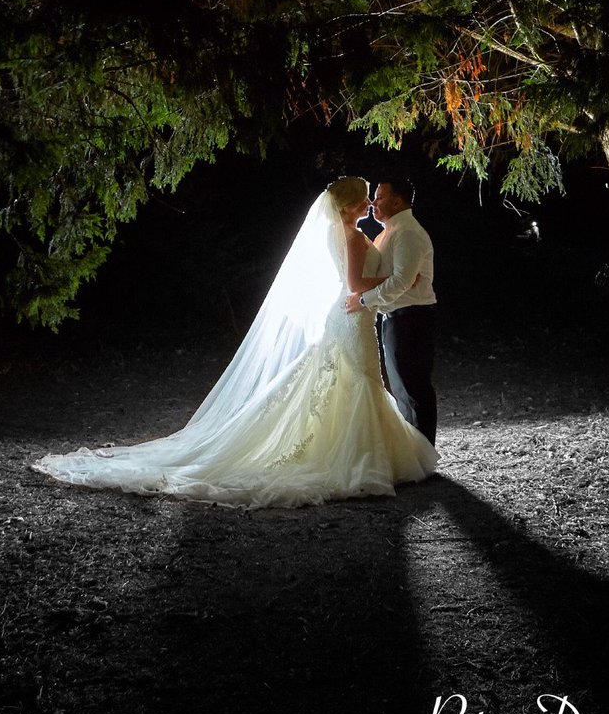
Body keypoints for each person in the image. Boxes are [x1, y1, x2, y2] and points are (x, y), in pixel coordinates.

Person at [31, 177, 438, 508]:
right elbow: (353, 283)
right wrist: (388, 284)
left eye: (375, 198)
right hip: (352, 313)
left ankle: (366, 451)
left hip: (355, 314)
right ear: (349, 205)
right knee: (354, 381)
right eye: (366, 199)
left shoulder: (352, 231)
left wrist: (385, 285)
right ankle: (358, 456)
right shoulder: (349, 235)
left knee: (354, 381)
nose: (370, 205)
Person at [344, 178, 437, 445]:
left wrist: (363, 301)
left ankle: (424, 451)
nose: (373, 202)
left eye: (380, 196)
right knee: (401, 386)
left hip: (412, 317)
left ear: (398, 200)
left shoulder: (407, 232)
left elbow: (400, 281)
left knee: (413, 386)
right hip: (396, 316)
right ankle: (414, 450)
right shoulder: (389, 232)